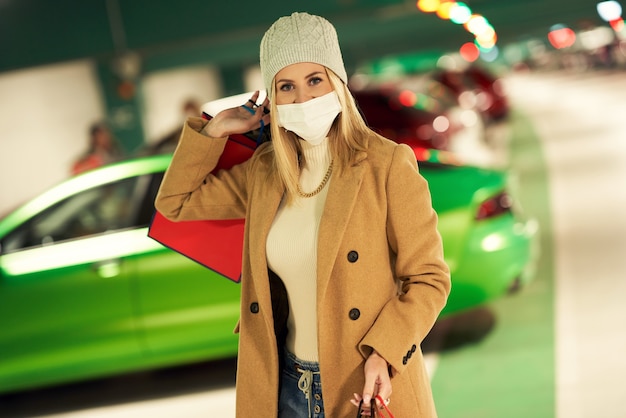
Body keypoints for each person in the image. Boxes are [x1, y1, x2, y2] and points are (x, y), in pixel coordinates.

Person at [155, 12, 450, 418]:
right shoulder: (265, 171)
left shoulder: (386, 164)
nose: (303, 98)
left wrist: (384, 352)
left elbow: (428, 278)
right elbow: (176, 202)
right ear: (273, 98)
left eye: (315, 80)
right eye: (286, 87)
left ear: (337, 82)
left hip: (364, 380)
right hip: (285, 388)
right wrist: (215, 130)